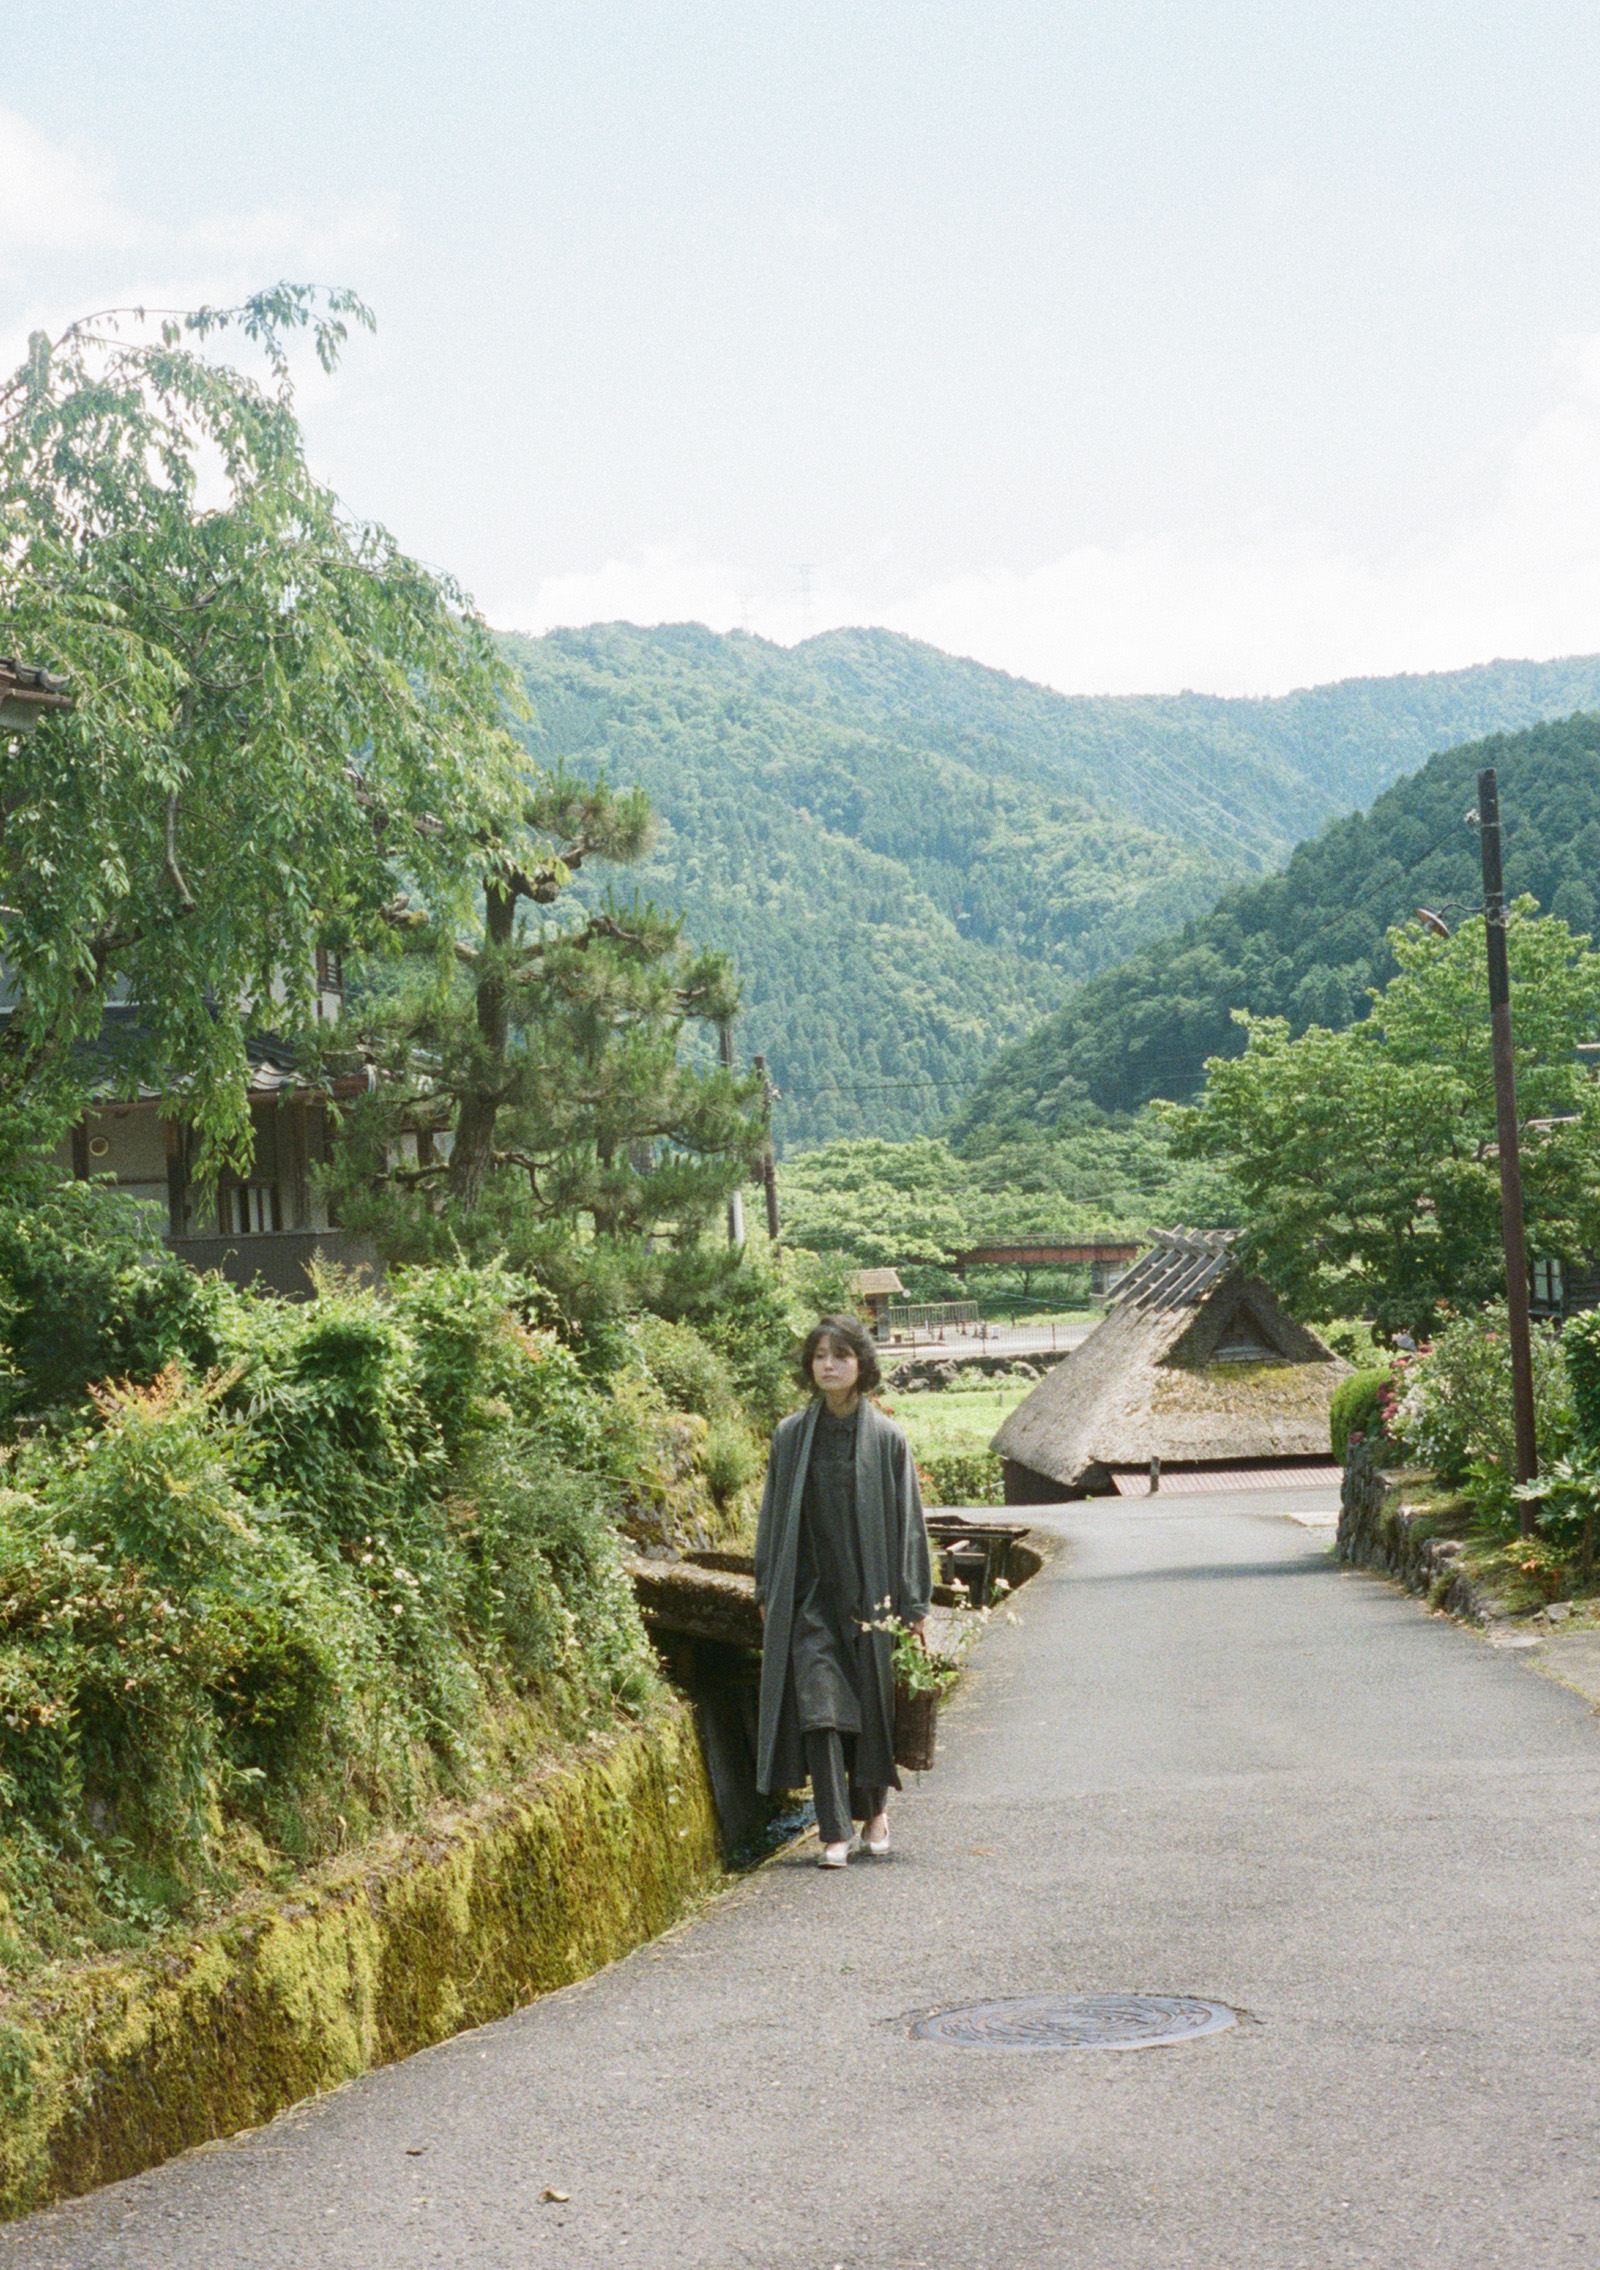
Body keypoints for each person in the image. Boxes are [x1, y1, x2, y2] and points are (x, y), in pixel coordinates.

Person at [753, 1312, 933, 1868]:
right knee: (819, 1708)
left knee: (871, 1709)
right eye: (820, 1356)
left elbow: (909, 1523)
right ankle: (833, 1828)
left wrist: (915, 1606)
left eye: (841, 1356)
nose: (828, 1365)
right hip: (809, 1596)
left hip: (871, 1597)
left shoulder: (885, 1437)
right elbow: (772, 1515)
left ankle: (874, 1812)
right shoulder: (790, 1436)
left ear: (861, 1366)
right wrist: (766, 1590)